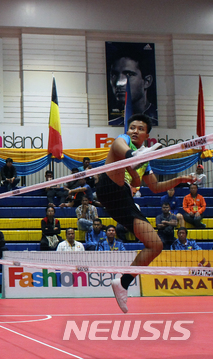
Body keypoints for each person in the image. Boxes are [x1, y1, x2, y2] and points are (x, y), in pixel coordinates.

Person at [95, 113, 192, 313]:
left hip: (122, 201)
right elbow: (120, 148)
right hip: (109, 184)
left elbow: (155, 187)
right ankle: (130, 158)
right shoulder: (124, 141)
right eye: (132, 127)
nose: (135, 131)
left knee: (155, 245)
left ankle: (123, 282)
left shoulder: (146, 163)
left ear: (147, 134)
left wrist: (180, 179)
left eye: (140, 129)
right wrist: (132, 160)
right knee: (117, 145)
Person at [108, 45, 157, 126]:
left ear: (147, 81)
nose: (119, 83)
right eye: (114, 75)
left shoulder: (155, 118)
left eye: (128, 74)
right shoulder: (113, 123)